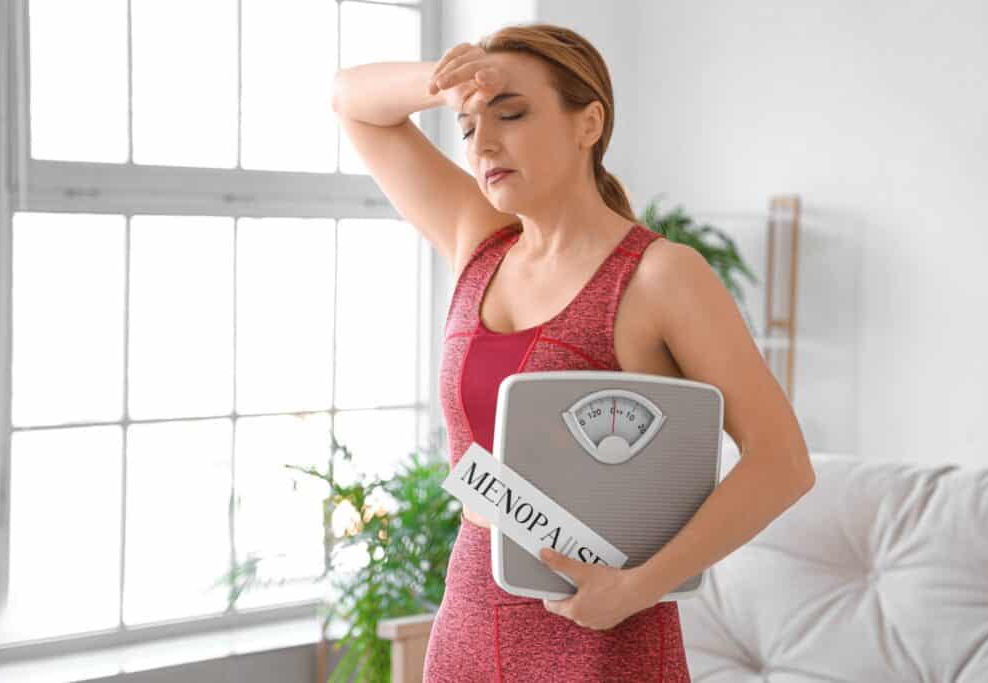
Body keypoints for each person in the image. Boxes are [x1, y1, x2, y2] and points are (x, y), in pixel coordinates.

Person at [332, 22, 814, 682]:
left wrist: (636, 587)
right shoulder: (479, 240)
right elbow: (350, 100)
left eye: (513, 112)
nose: (485, 143)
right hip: (469, 623)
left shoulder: (659, 276)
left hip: (604, 637)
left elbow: (783, 461)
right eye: (470, 128)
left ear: (589, 122)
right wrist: (443, 83)